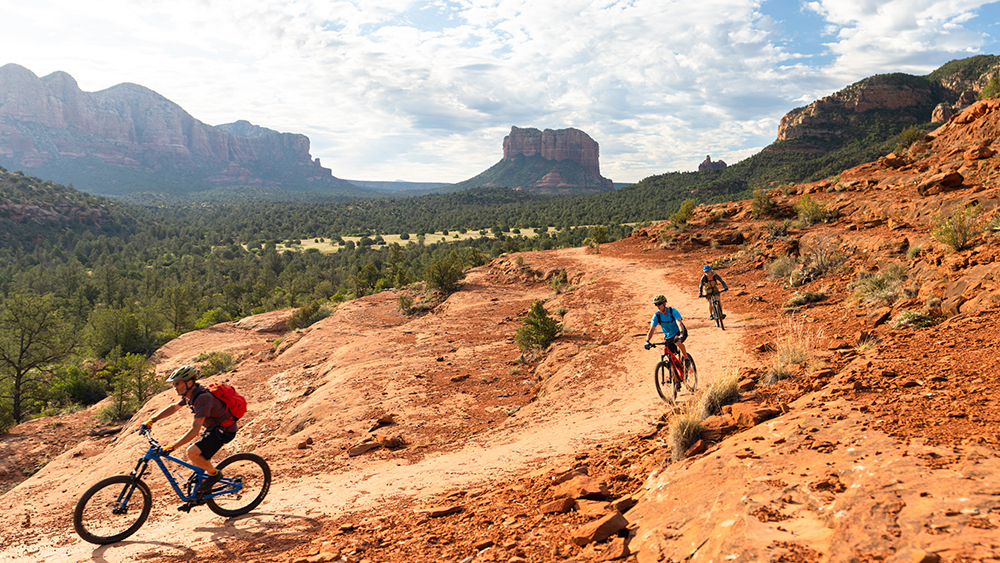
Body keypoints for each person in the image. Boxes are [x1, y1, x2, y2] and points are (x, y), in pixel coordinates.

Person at [140, 365, 236, 510]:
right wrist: (152, 420)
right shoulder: (191, 394)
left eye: (177, 383)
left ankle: (215, 475)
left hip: (224, 430)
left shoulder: (202, 398)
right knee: (197, 464)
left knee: (192, 452)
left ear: (189, 383)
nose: (175, 386)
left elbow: (195, 430)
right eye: (174, 383)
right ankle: (196, 498)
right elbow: (174, 407)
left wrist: (172, 447)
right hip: (213, 428)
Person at [643, 294, 689, 361]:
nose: (658, 306)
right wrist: (647, 341)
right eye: (656, 304)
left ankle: (686, 359)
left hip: (679, 332)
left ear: (664, 303)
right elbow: (652, 330)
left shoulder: (672, 311)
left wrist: (681, 333)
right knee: (671, 356)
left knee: (677, 342)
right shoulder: (657, 315)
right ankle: (673, 367)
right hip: (669, 336)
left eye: (659, 304)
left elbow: (679, 322)